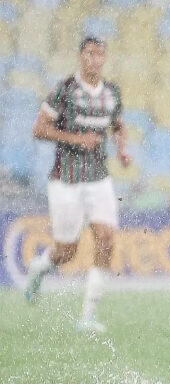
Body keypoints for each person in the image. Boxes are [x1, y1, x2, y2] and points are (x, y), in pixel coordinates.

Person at [23, 36, 130, 333]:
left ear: (104, 58)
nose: (93, 59)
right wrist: (75, 139)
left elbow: (118, 125)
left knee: (106, 238)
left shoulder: (111, 93)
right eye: (88, 53)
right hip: (66, 181)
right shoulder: (65, 90)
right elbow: (39, 128)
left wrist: (121, 150)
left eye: (98, 54)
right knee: (66, 252)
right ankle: (41, 266)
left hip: (99, 178)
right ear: (80, 56)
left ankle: (88, 316)